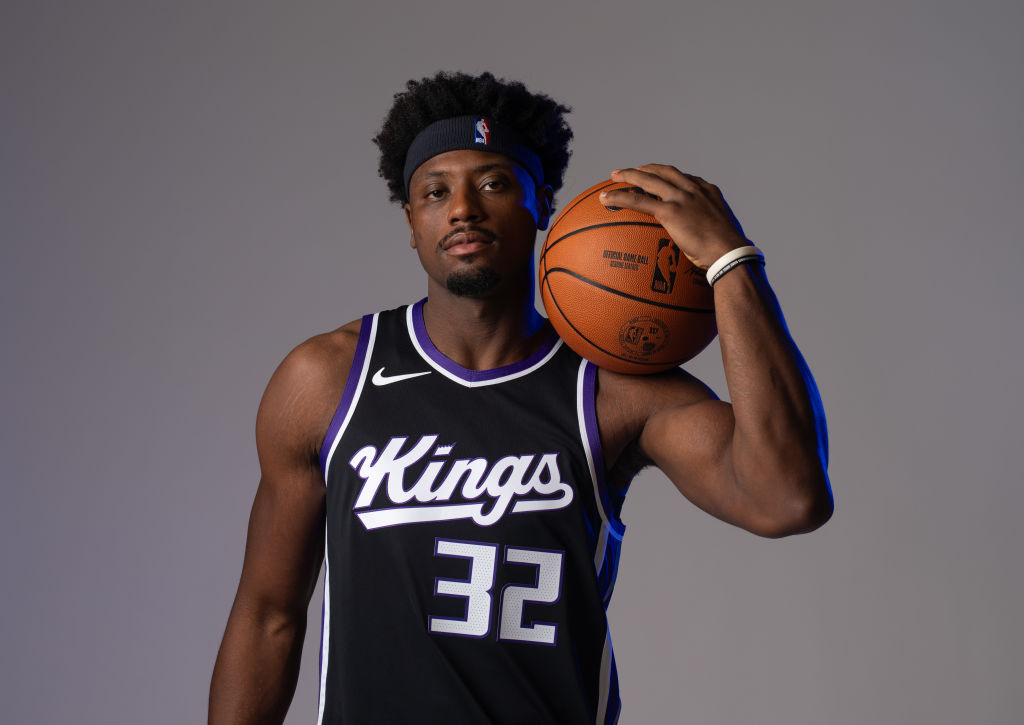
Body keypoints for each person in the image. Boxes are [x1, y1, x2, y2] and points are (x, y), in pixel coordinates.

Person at [209, 71, 833, 725]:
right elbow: (268, 616)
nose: (463, 209)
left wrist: (730, 262)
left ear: (542, 204)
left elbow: (787, 497)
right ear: (412, 222)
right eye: (436, 190)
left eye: (494, 182)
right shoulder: (328, 380)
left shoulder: (613, 389)